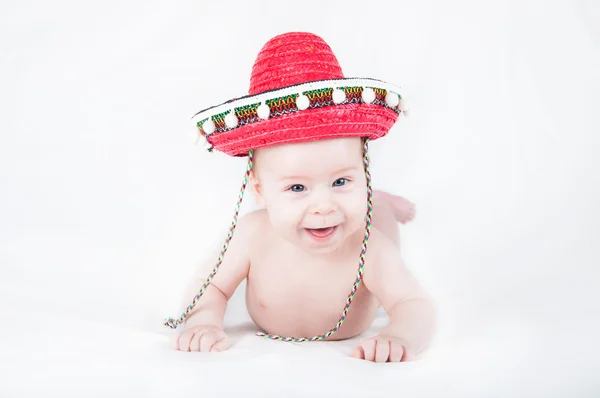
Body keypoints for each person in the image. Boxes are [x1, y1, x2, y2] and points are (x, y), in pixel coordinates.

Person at [164, 32, 436, 363]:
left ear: (364, 173)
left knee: (375, 216)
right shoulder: (251, 234)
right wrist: (204, 321)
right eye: (297, 188)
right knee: (357, 207)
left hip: (368, 222)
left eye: (341, 180)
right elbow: (211, 286)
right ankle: (370, 197)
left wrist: (401, 335)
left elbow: (415, 304)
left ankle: (380, 203)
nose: (323, 206)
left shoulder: (370, 247)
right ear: (260, 191)